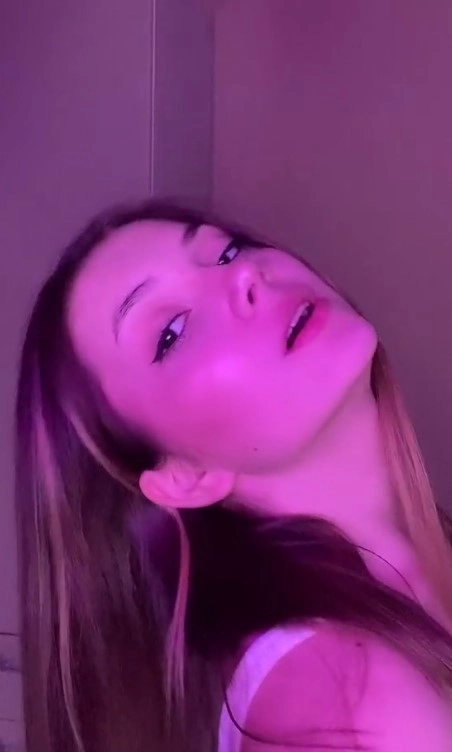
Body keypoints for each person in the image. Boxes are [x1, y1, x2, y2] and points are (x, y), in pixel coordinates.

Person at [15, 199, 452, 752]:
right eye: (171, 332)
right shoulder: (340, 705)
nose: (246, 276)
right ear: (183, 477)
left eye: (226, 252)